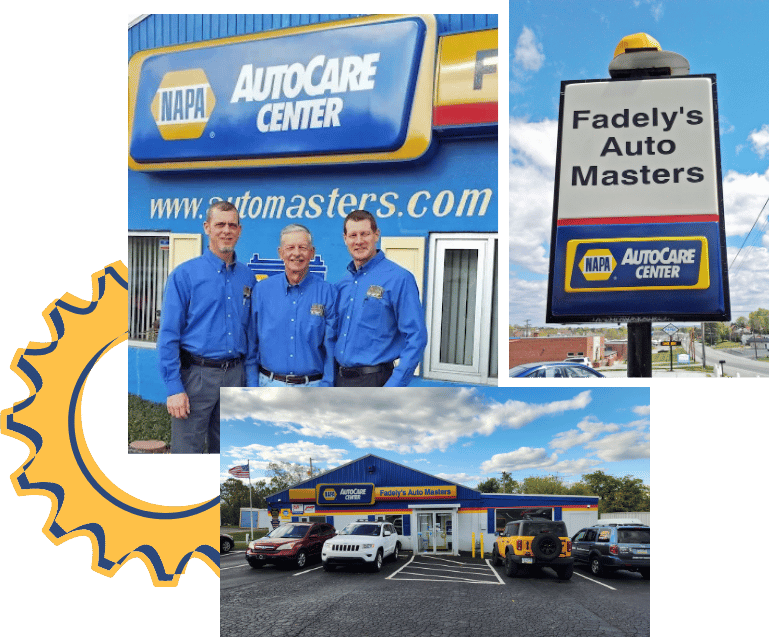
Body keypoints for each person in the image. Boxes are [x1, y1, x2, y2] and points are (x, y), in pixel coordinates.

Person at [157, 201, 255, 453]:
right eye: (220, 224)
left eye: (232, 225)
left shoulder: (247, 277)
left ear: (240, 230)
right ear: (207, 228)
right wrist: (174, 388)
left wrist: (249, 381)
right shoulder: (185, 275)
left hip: (235, 375)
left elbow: (251, 332)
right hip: (196, 378)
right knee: (187, 452)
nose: (226, 230)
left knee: (228, 453)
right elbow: (168, 335)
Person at [334, 210, 428, 387]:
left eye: (365, 234)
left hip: (376, 381)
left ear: (376, 235)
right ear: (345, 238)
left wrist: (394, 386)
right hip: (340, 380)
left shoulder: (399, 279)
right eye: (353, 235)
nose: (359, 241)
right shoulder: (343, 283)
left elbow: (417, 337)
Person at [246, 224, 336, 387]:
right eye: (290, 248)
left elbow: (332, 347)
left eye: (302, 247)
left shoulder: (328, 292)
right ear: (281, 253)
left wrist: (327, 385)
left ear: (312, 253)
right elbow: (251, 344)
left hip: (313, 388)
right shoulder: (261, 291)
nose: (296, 253)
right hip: (269, 386)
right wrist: (252, 386)